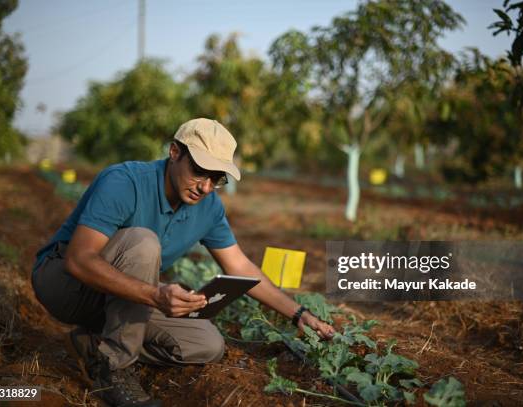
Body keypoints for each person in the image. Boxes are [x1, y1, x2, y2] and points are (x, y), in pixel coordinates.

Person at [31, 118, 335, 407]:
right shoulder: (125, 181)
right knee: (143, 243)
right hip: (64, 284)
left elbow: (240, 267)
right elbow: (79, 259)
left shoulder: (209, 207)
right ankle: (115, 369)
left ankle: (93, 344)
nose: (205, 186)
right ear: (175, 151)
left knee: (206, 344)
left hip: (118, 296)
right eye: (200, 171)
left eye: (217, 179)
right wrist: (154, 295)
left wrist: (299, 314)